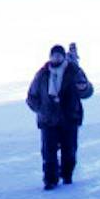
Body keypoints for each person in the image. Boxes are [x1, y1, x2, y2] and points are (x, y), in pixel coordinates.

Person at [25, 43, 93, 190]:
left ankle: (67, 175)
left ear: (63, 56)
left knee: (69, 151)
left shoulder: (74, 71)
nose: (56, 58)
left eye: (59, 55)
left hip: (69, 118)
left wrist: (84, 88)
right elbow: (31, 97)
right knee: (48, 152)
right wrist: (42, 109)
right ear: (50, 57)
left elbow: (87, 91)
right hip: (48, 120)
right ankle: (50, 180)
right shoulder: (42, 74)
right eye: (54, 55)